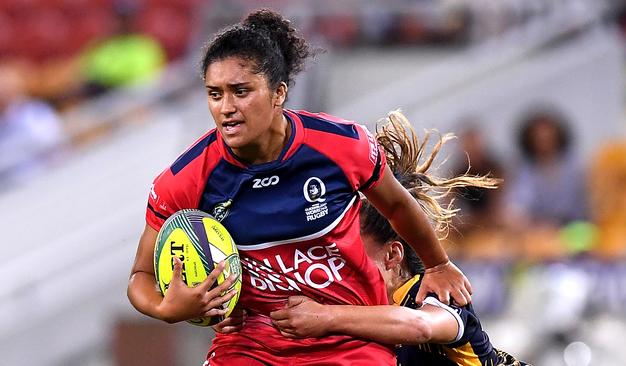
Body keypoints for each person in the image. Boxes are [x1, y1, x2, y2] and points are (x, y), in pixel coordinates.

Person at [126, 9, 472, 366]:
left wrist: (437, 264)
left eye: (241, 91)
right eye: (215, 94)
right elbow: (141, 276)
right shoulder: (186, 178)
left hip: (350, 342)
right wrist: (165, 307)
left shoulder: (341, 145)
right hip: (250, 345)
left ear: (278, 93)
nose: (226, 108)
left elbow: (397, 206)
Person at [269, 110, 527, 366]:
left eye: (351, 251)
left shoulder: (436, 292)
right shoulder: (356, 308)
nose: (339, 263)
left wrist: (326, 316)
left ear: (392, 255)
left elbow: (420, 326)